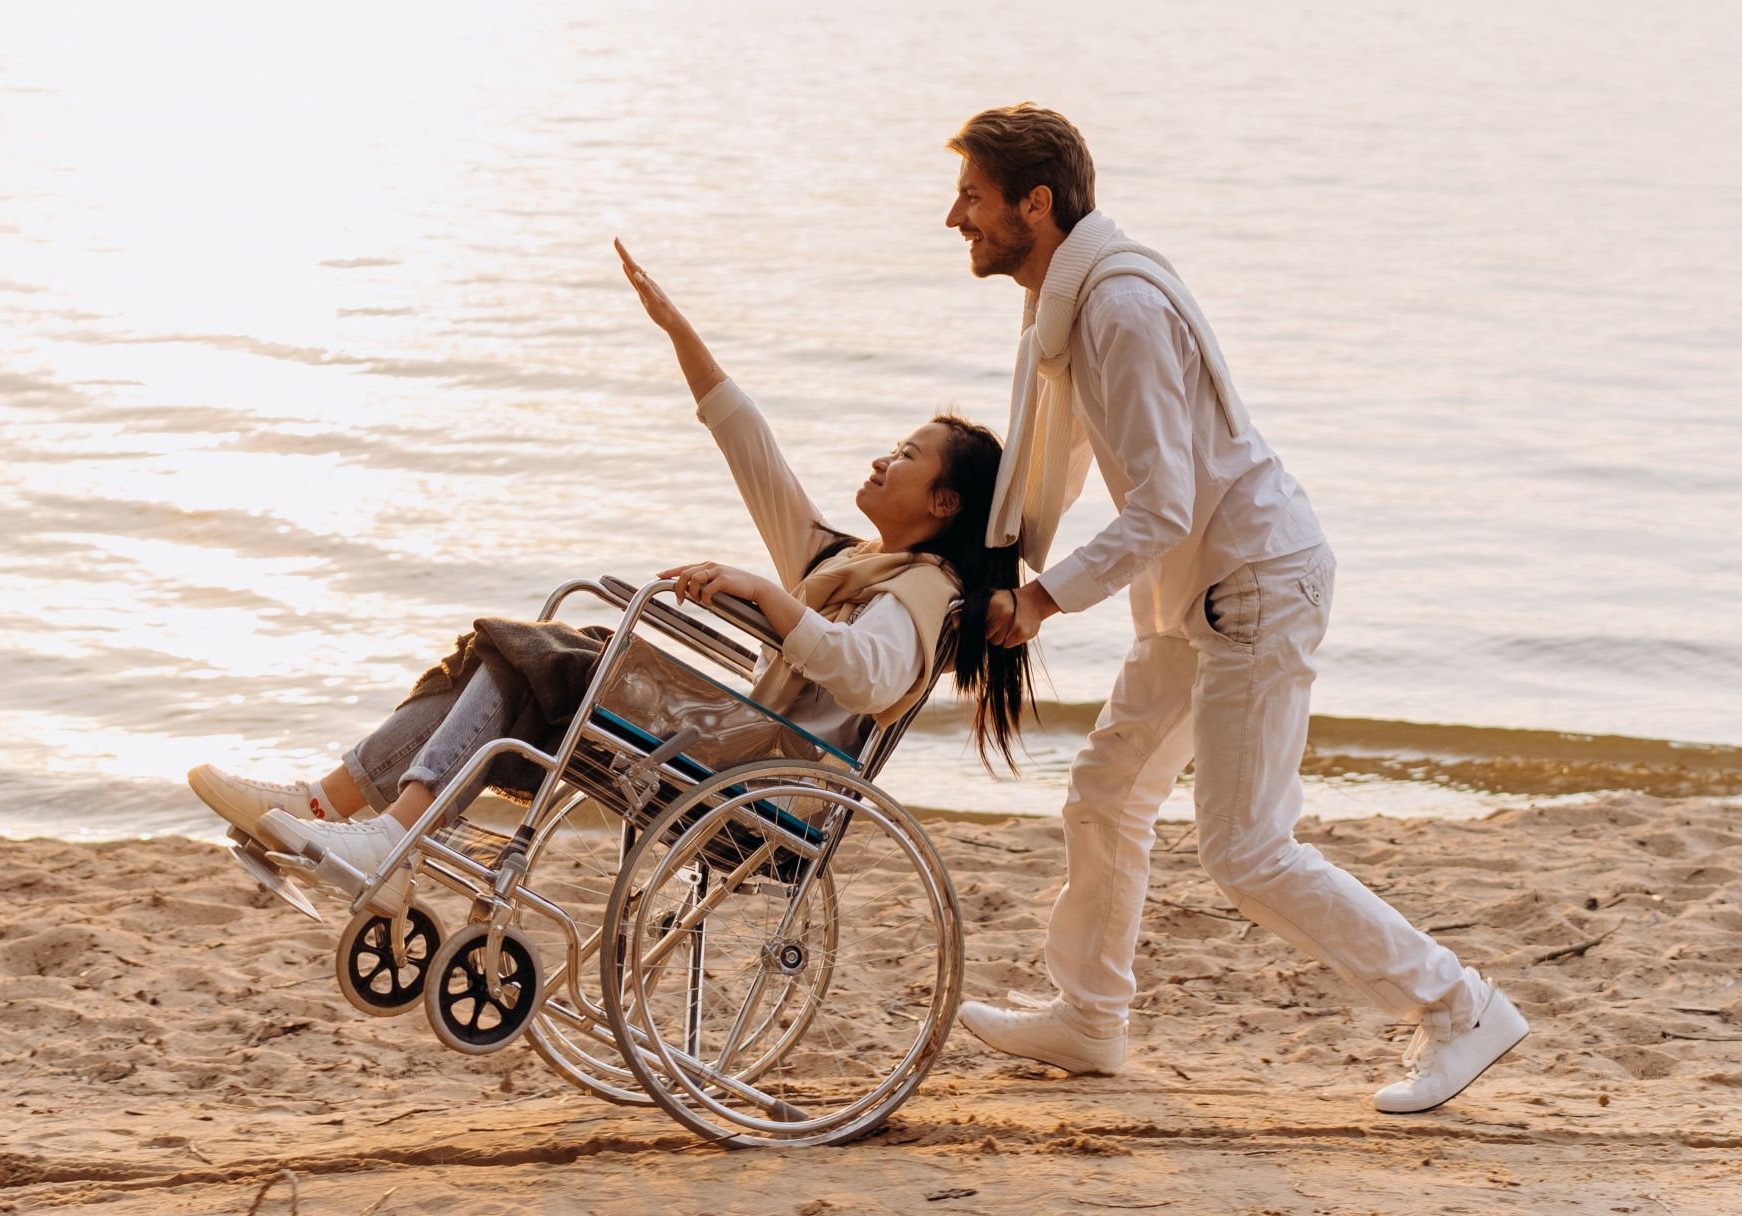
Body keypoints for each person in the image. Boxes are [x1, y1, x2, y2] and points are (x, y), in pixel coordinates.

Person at [942, 103, 1527, 1115]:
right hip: (1197, 596)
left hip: (1255, 583)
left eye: (973, 197)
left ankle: (1460, 1005)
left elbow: (1164, 501)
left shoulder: (1117, 310)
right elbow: (1073, 462)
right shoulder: (1070, 309)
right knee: (1106, 791)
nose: (956, 216)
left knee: (1247, 848)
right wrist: (990, 560)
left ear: (1035, 204)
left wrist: (1042, 597)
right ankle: (1089, 1018)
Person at [188, 240, 1034, 903]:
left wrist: (764, 592)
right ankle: (332, 809)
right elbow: (752, 451)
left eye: (907, 456)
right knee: (514, 652)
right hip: (723, 751)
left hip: (753, 785)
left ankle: (387, 835)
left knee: (548, 651)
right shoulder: (850, 564)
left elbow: (867, 679)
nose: (883, 460)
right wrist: (677, 331)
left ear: (946, 502)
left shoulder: (922, 594)